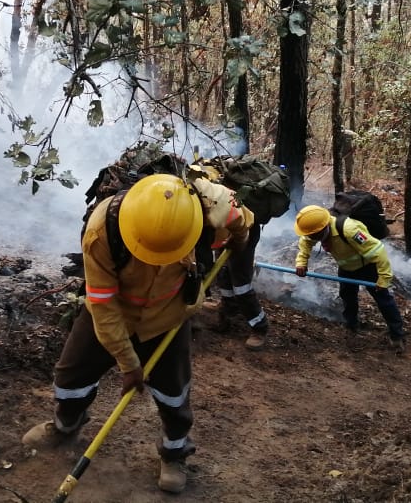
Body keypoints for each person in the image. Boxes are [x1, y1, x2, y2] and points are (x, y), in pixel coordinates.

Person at [22, 172, 255, 495]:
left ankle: (175, 454)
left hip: (168, 318)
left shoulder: (210, 202)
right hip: (111, 314)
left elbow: (241, 218)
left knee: (174, 395)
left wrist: (239, 238)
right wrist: (129, 363)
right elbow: (102, 305)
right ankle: (65, 425)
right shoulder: (102, 231)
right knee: (69, 379)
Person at [292, 204, 407, 353]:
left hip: (368, 267)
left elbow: (378, 251)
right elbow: (305, 243)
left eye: (313, 235)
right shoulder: (314, 232)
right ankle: (351, 324)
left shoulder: (349, 229)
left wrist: (384, 278)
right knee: (347, 296)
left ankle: (397, 335)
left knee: (383, 299)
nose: (311, 237)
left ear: (323, 228)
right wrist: (301, 262)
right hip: (346, 268)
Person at [191, 161, 269, 350]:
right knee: (223, 273)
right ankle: (228, 311)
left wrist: (237, 242)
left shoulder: (222, 204)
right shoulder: (194, 200)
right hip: (225, 229)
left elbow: (241, 225)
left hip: (244, 229)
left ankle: (259, 327)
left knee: (240, 283)